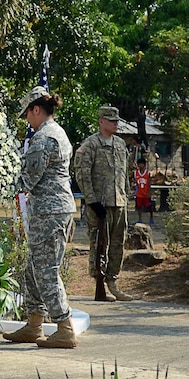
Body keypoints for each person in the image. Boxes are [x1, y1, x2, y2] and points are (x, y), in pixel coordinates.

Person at [3, 86, 78, 348]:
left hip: (50, 212)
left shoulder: (44, 138)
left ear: (36, 109)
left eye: (27, 114)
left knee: (46, 270)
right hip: (53, 210)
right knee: (34, 267)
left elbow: (28, 179)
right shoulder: (56, 132)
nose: (27, 120)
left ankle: (64, 326)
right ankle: (35, 324)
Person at [73, 105, 136, 302]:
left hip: (118, 201)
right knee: (100, 243)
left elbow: (124, 174)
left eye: (117, 120)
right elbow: (82, 174)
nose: (115, 123)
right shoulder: (91, 145)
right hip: (100, 203)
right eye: (111, 120)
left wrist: (125, 195)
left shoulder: (119, 144)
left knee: (118, 243)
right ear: (101, 121)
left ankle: (113, 282)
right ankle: (99, 281)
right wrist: (91, 200)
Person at [134, 157, 154, 224]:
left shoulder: (148, 173)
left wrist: (149, 192)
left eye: (141, 164)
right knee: (139, 207)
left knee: (149, 206)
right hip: (139, 193)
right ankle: (140, 219)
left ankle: (151, 217)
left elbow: (149, 183)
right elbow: (136, 183)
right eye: (139, 164)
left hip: (146, 193)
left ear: (144, 165)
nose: (140, 165)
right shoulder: (135, 173)